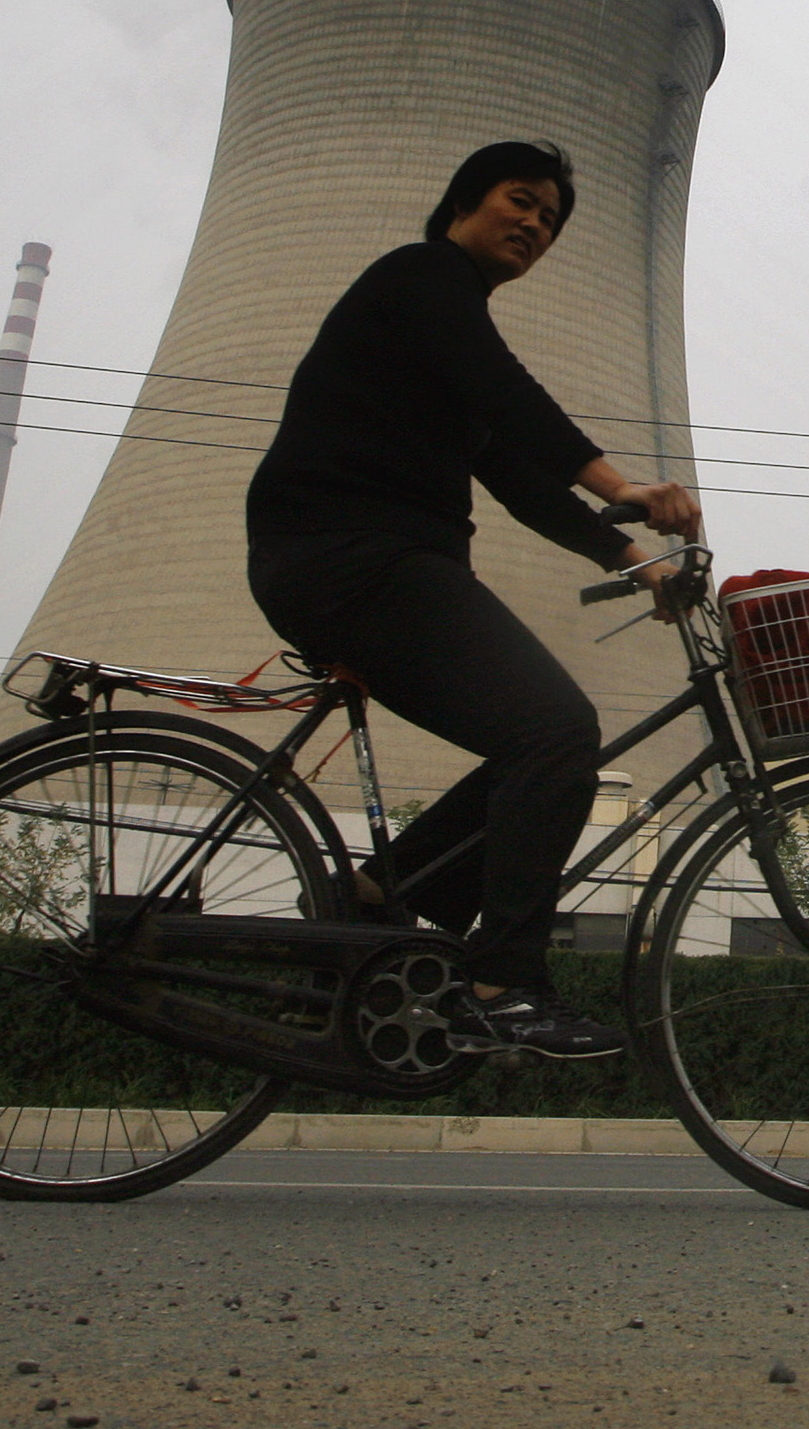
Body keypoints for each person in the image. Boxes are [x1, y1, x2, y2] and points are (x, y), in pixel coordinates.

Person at [246, 138, 701, 1060]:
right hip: (350, 555)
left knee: (540, 749)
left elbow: (519, 476)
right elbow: (511, 393)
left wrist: (635, 558)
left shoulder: (443, 341)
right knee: (555, 732)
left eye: (551, 219)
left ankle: (379, 898)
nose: (536, 224)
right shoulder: (421, 280)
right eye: (521, 200)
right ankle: (504, 983)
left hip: (369, 561)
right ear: (465, 200)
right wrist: (625, 482)